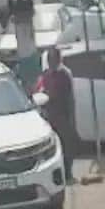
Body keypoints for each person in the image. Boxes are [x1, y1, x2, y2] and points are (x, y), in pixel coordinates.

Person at [37, 47, 77, 181]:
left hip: (62, 115)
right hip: (50, 116)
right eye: (50, 59)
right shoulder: (46, 75)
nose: (52, 62)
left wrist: (71, 118)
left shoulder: (64, 74)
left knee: (67, 147)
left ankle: (68, 174)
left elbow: (70, 98)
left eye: (54, 59)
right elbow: (40, 91)